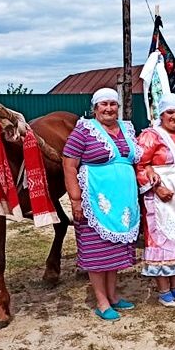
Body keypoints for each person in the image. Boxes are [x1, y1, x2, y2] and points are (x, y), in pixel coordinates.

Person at [62, 88, 140, 321]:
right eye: (103, 105)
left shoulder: (127, 128)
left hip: (122, 202)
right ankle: (102, 301)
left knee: (114, 252)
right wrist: (76, 200)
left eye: (113, 104)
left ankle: (113, 294)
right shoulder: (84, 130)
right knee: (97, 251)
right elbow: (68, 165)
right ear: (95, 108)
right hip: (95, 200)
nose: (108, 109)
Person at [136, 93, 175, 309]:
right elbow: (140, 164)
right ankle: (164, 291)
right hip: (162, 195)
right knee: (162, 240)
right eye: (170, 112)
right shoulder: (151, 135)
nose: (174, 116)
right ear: (161, 114)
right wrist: (157, 186)